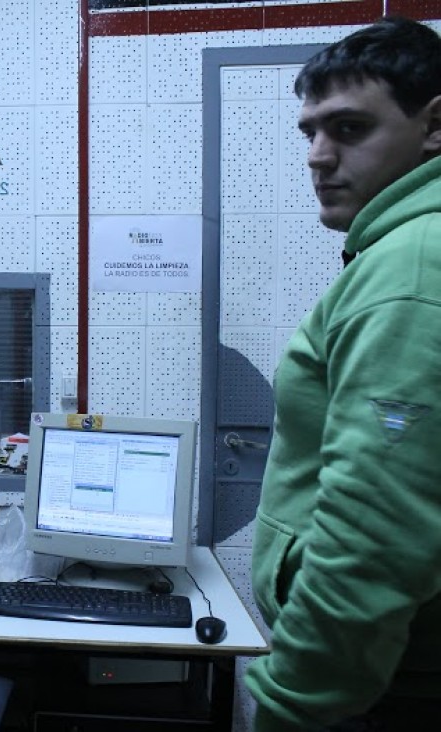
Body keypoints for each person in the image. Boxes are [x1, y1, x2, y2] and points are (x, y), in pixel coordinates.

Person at [244, 17, 441, 731]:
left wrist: (290, 708)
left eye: (349, 129)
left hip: (381, 687)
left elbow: (373, 533)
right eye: (309, 133)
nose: (317, 157)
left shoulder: (412, 266)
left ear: (433, 127)